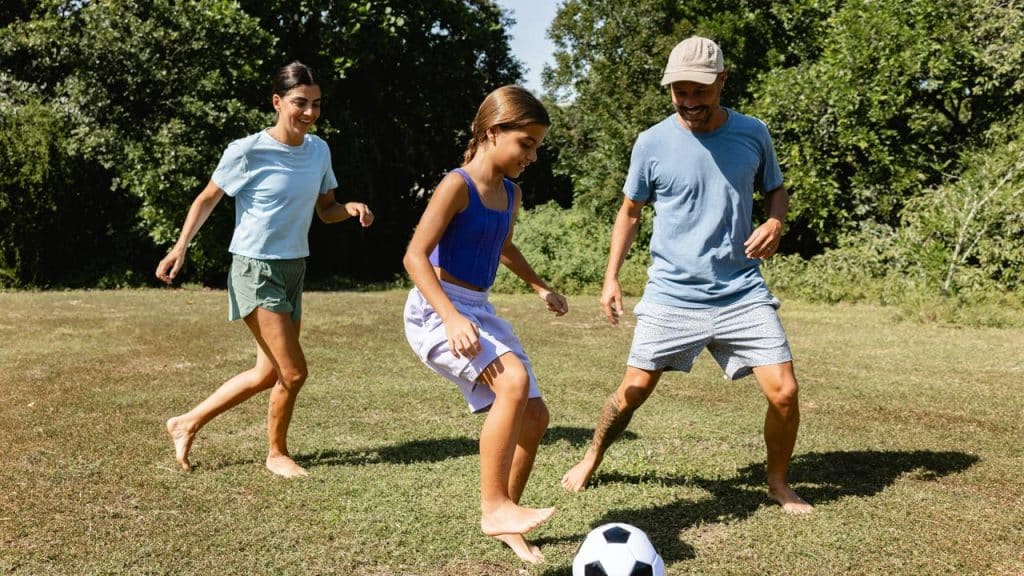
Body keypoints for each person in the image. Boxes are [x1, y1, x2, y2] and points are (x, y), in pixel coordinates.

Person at [560, 36, 813, 514]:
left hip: (741, 290)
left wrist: (775, 221)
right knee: (633, 390)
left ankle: (778, 484)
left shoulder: (753, 132)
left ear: (721, 82)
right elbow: (630, 211)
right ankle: (592, 456)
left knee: (785, 392)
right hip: (672, 293)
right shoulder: (651, 142)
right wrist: (611, 277)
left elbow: (776, 190)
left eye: (699, 91)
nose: (690, 102)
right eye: (680, 92)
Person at [157, 61, 374, 478]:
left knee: (267, 372)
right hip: (255, 269)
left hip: (295, 268)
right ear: (277, 102)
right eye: (299, 103)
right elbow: (207, 200)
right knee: (293, 372)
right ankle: (276, 454)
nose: (309, 113)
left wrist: (350, 208)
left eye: (316, 104)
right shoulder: (248, 150)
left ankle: (186, 422)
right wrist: (180, 247)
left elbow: (326, 210)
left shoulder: (319, 150)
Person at [402, 85, 568, 563]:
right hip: (436, 307)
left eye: (537, 146)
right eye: (527, 143)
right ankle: (493, 507)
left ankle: (507, 515)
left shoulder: (511, 193)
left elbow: (501, 245)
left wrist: (539, 286)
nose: (532, 155)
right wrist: (451, 317)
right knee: (512, 381)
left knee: (535, 419)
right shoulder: (457, 185)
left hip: (477, 304)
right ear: (494, 132)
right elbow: (414, 257)